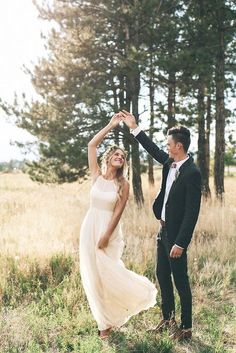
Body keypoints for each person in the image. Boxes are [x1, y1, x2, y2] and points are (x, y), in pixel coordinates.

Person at [121, 110, 202, 341]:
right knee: (162, 276)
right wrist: (134, 128)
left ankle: (186, 328)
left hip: (176, 236)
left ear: (178, 146)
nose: (166, 147)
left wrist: (181, 243)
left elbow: (192, 213)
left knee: (181, 281)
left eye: (169, 144)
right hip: (163, 229)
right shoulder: (170, 162)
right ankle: (168, 320)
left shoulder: (192, 173)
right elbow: (153, 149)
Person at [79, 113, 157, 339]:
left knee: (109, 274)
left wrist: (105, 236)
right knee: (93, 276)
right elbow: (92, 145)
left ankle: (132, 298)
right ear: (108, 157)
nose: (120, 157)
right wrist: (111, 125)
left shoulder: (123, 184)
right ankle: (104, 324)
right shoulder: (96, 176)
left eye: (123, 156)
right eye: (116, 154)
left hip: (108, 232)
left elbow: (117, 214)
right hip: (89, 227)